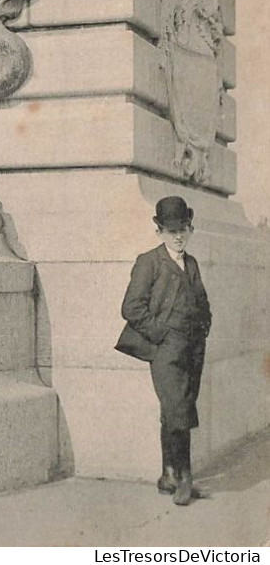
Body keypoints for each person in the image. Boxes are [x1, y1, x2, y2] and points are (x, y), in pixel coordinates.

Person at [115, 196, 212, 506]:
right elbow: (131, 307)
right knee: (179, 410)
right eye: (171, 231)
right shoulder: (149, 262)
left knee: (174, 410)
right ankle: (185, 479)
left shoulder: (192, 263)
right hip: (166, 351)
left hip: (193, 349)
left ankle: (168, 473)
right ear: (159, 231)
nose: (178, 236)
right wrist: (162, 335)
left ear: (189, 227)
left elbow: (201, 301)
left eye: (183, 229)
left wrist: (204, 326)